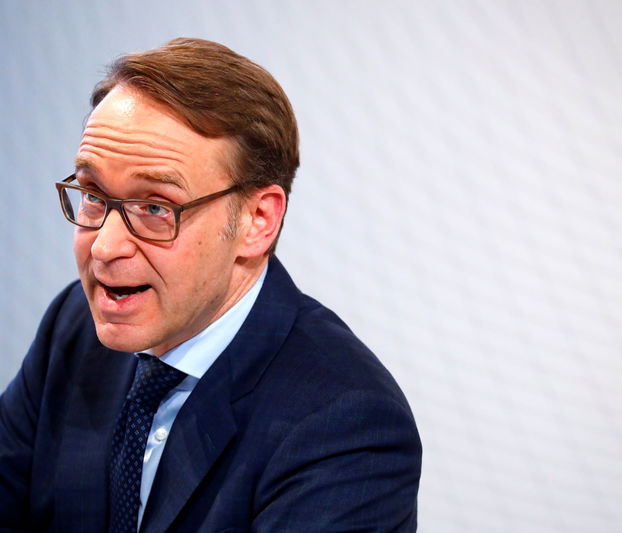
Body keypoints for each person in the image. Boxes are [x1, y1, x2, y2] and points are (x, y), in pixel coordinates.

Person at [0, 38, 421, 532]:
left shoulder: (346, 427)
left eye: (155, 207)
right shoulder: (73, 327)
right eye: (92, 195)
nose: (103, 247)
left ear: (257, 220)